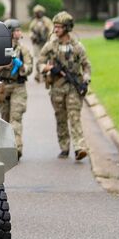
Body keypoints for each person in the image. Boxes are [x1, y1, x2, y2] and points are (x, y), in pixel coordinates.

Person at [37, 11, 91, 161]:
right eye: (55, 27)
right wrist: (49, 68)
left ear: (67, 28)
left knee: (74, 117)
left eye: (59, 27)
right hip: (57, 88)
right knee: (60, 118)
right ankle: (64, 147)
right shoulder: (50, 46)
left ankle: (80, 147)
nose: (55, 30)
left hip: (74, 88)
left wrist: (86, 80)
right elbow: (40, 62)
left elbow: (87, 66)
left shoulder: (77, 47)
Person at [0, 19, 33, 160]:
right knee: (5, 119)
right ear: (9, 33)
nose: (19, 33)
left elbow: (29, 68)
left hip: (18, 86)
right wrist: (3, 65)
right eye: (16, 30)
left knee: (16, 117)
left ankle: (17, 148)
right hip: (3, 87)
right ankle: (6, 149)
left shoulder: (23, 50)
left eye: (19, 30)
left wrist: (20, 66)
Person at [29, 4, 53, 82]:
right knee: (38, 58)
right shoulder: (33, 22)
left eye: (39, 12)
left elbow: (51, 30)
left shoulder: (47, 21)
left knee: (46, 58)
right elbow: (30, 32)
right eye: (36, 12)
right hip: (37, 43)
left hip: (45, 42)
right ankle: (38, 75)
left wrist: (49, 39)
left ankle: (45, 74)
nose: (38, 14)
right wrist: (33, 37)